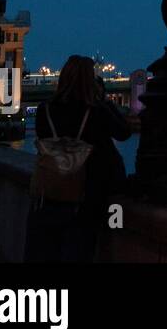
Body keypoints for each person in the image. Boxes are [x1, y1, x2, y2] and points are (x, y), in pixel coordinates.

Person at [24, 55, 133, 262]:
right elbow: (124, 132)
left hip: (49, 193)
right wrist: (103, 101)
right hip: (85, 198)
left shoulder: (44, 110)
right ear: (90, 81)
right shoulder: (96, 111)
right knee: (79, 251)